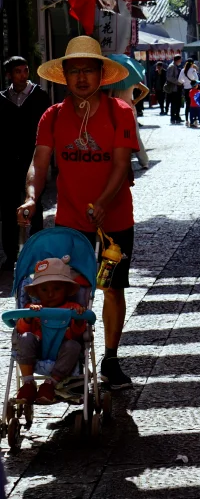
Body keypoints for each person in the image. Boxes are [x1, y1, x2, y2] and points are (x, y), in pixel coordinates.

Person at [16, 36, 137, 389]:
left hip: (114, 220)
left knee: (113, 288)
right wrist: (30, 197)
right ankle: (71, 359)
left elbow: (119, 164)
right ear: (64, 76)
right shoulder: (52, 117)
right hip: (69, 222)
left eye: (88, 70)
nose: (81, 77)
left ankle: (111, 359)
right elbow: (38, 164)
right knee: (70, 291)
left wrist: (102, 202)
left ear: (102, 74)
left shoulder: (120, 112)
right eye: (74, 71)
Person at [12, 255, 88, 405]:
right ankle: (28, 383)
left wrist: (79, 319)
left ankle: (50, 384)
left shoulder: (72, 308)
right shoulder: (32, 309)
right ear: (37, 292)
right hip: (36, 351)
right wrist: (28, 317)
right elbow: (20, 329)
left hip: (62, 351)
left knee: (74, 345)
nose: (50, 294)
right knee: (25, 337)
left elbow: (77, 334)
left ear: (66, 290)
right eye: (44, 289)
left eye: (57, 288)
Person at [0, 56, 50, 269]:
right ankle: (11, 255)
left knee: (35, 203)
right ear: (9, 75)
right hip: (8, 161)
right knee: (8, 206)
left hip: (34, 157)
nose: (23, 75)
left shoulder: (39, 96)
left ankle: (37, 251)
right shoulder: (2, 99)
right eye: (18, 71)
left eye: (25, 70)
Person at [165, 55, 183, 124]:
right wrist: (178, 82)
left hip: (178, 88)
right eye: (180, 60)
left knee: (178, 103)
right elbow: (169, 77)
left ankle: (177, 117)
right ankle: (173, 117)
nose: (181, 61)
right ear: (177, 60)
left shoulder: (176, 66)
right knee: (174, 103)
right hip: (173, 88)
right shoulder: (171, 66)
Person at [180, 59, 199, 124]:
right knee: (194, 104)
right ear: (192, 63)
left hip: (186, 89)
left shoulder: (182, 70)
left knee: (187, 104)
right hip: (192, 89)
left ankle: (187, 120)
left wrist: (184, 82)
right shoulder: (193, 70)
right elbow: (196, 79)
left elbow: (179, 80)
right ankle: (194, 119)